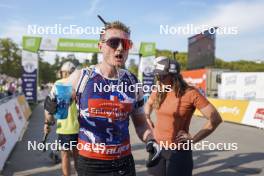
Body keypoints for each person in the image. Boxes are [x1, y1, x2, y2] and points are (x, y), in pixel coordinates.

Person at [44, 20, 160, 175]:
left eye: (125, 44)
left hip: (124, 163)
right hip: (91, 164)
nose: (120, 48)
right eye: (113, 42)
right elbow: (55, 115)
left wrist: (151, 141)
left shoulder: (133, 82)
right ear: (100, 46)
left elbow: (140, 125)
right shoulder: (80, 77)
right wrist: (50, 110)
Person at [144, 56, 223, 176]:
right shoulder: (159, 89)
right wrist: (147, 117)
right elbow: (148, 104)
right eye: (157, 75)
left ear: (173, 76)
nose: (158, 79)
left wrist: (193, 140)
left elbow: (215, 119)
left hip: (179, 153)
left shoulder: (190, 93)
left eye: (162, 76)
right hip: (157, 149)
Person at [44, 61, 79, 176]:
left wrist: (47, 123)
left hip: (64, 127)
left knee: (65, 155)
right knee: (77, 156)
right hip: (81, 127)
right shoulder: (80, 83)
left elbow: (49, 107)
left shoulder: (58, 84)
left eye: (63, 72)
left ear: (64, 72)